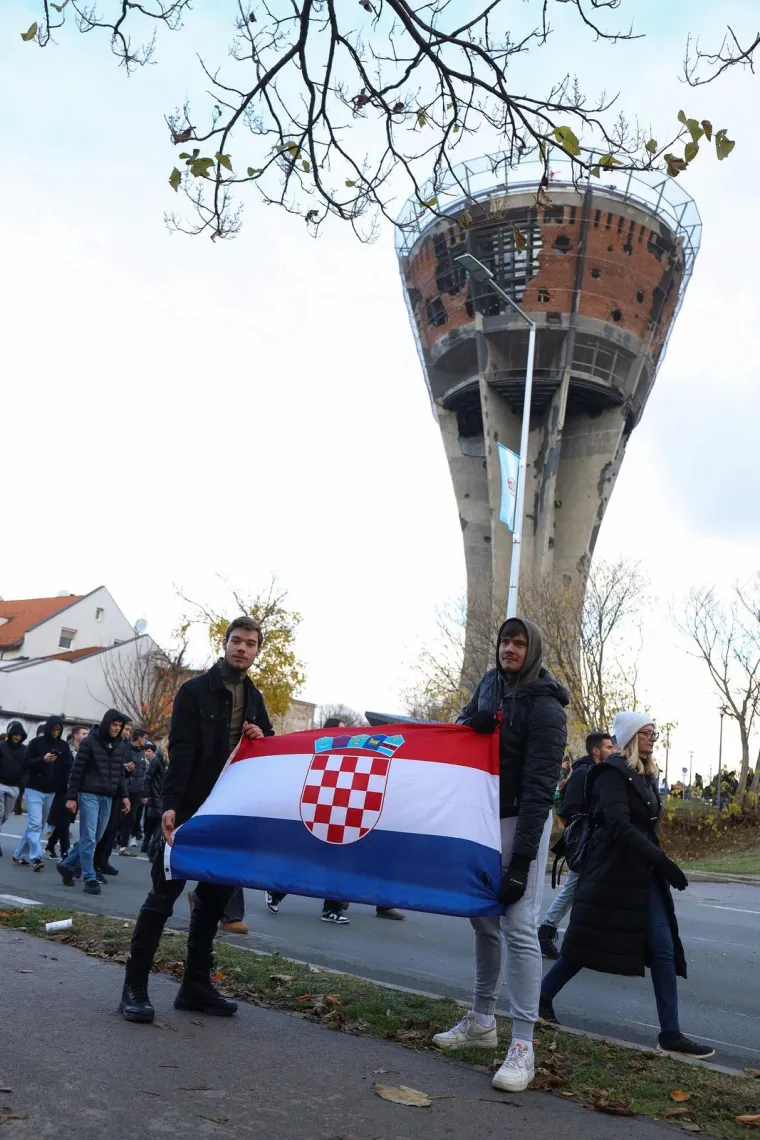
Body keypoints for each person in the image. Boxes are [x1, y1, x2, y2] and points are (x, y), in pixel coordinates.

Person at [433, 617, 568, 1094]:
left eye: (519, 642)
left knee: (520, 926)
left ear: (533, 651)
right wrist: (472, 725)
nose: (509, 648)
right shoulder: (489, 688)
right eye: (505, 641)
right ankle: (481, 1020)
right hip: (482, 821)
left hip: (518, 824)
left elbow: (538, 792)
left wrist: (521, 861)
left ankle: (523, 1045)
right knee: (483, 921)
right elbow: (462, 742)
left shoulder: (546, 708)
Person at [119, 616, 272, 1023]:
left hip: (230, 814)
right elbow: (181, 752)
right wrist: (169, 805)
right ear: (225, 644)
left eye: (250, 643)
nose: (242, 648)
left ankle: (195, 987)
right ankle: (134, 987)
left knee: (213, 901)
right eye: (236, 641)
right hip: (189, 810)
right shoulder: (194, 691)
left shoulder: (255, 699)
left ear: (257, 650)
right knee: (162, 897)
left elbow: (269, 755)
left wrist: (260, 736)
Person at [539, 711, 714, 1059]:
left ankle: (670, 1034)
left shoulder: (646, 775)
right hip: (612, 874)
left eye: (655, 732)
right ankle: (540, 998)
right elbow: (618, 826)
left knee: (663, 948)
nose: (653, 738)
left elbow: (644, 826)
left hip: (641, 874)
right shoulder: (610, 772)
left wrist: (656, 861)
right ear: (632, 736)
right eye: (647, 732)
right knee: (583, 946)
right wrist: (662, 862)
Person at [538, 730, 614, 959]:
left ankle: (582, 936)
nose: (612, 750)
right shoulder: (584, 772)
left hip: (591, 837)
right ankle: (547, 930)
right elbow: (569, 808)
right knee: (575, 885)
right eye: (608, 747)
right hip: (584, 839)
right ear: (596, 750)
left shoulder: (595, 771)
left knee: (587, 888)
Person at [57, 709, 130, 895]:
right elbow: (77, 771)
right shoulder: (89, 741)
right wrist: (72, 797)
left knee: (96, 837)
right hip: (89, 794)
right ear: (107, 724)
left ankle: (67, 865)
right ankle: (89, 877)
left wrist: (125, 796)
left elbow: (120, 773)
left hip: (108, 796)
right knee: (89, 836)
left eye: (120, 726)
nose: (117, 728)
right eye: (114, 725)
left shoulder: (120, 745)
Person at [13, 716, 69, 871]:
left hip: (51, 791)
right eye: (53, 729)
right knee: (35, 824)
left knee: (36, 825)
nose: (55, 733)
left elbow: (67, 767)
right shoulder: (36, 743)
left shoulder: (63, 746)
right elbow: (26, 763)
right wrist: (43, 760)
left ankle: (18, 854)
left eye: (58, 730)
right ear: (48, 728)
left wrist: (66, 788)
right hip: (34, 788)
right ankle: (36, 857)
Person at [94, 718, 134, 877]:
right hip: (101, 790)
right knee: (97, 832)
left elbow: (122, 773)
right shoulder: (101, 742)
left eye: (127, 729)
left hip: (118, 790)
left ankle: (103, 861)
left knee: (111, 830)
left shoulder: (124, 746)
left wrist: (128, 770)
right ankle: (90, 863)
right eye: (123, 728)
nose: (124, 731)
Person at [45, 726, 86, 860]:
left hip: (77, 789)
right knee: (63, 819)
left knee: (65, 820)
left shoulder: (86, 750)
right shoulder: (65, 749)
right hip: (63, 788)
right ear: (75, 735)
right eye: (84, 733)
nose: (87, 736)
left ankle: (51, 846)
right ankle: (64, 850)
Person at [117, 728, 149, 855]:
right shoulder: (126, 748)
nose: (145, 741)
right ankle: (116, 839)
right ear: (138, 738)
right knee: (120, 817)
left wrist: (144, 793)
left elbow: (144, 774)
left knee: (132, 818)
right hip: (126, 789)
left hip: (137, 790)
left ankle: (124, 845)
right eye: (144, 738)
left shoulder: (142, 752)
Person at [0, 722, 27, 856]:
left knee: (5, 816)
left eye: (20, 735)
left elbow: (26, 768)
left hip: (15, 787)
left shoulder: (24, 750)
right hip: (0, 784)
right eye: (15, 734)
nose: (17, 737)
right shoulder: (2, 747)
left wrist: (22, 785)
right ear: (10, 735)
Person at [141, 743, 165, 855]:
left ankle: (150, 847)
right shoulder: (157, 760)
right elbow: (148, 778)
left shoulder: (169, 759)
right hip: (155, 795)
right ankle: (151, 849)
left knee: (157, 823)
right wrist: (146, 795)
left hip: (162, 795)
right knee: (155, 823)